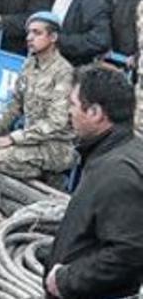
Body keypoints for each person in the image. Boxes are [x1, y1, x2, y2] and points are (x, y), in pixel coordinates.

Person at [45, 66, 143, 299]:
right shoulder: (116, 152)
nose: (69, 112)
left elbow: (127, 252)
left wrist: (67, 281)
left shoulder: (118, 173)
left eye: (73, 104)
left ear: (96, 113)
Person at [0, 11, 75, 181]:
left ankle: (44, 181)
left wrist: (12, 139)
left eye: (37, 33)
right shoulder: (29, 64)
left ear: (53, 37)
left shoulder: (63, 72)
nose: (29, 38)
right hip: (29, 141)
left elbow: (56, 123)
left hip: (55, 147)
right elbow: (14, 105)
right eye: (29, 33)